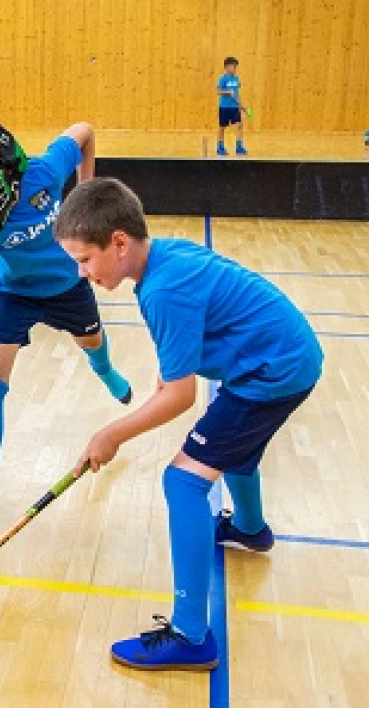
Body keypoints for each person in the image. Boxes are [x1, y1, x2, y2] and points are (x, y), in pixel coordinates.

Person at [54, 177, 323, 671]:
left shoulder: (162, 291)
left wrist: (111, 433)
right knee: (229, 446)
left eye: (84, 260)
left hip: (272, 371)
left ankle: (191, 635)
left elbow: (180, 396)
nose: (82, 273)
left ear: (118, 243)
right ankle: (249, 529)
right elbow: (176, 369)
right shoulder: (165, 257)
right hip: (282, 357)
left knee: (182, 481)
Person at [0, 119, 132, 530]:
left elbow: (85, 131)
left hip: (68, 285)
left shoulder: (45, 171)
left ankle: (104, 370)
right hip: (13, 292)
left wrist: (85, 194)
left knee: (92, 341)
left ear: (8, 173)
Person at [216, 56, 248, 156]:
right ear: (226, 67)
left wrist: (241, 105)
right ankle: (220, 147)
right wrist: (227, 92)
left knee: (239, 125)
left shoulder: (237, 79)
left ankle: (239, 146)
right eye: (233, 66)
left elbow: (236, 94)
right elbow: (218, 91)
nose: (235, 68)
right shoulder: (222, 79)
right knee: (222, 127)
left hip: (234, 107)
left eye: (236, 66)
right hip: (224, 107)